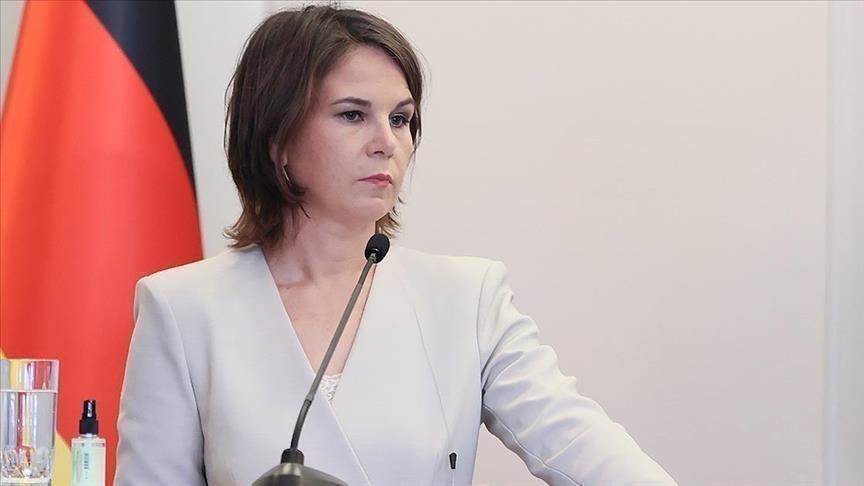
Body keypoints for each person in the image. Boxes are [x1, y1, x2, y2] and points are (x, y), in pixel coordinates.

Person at [114, 5, 677, 486]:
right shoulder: (182, 309)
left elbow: (580, 445)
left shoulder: (467, 298)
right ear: (276, 137)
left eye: (402, 119)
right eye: (352, 115)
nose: (387, 142)